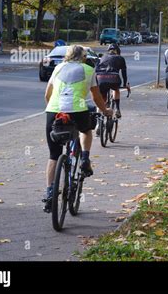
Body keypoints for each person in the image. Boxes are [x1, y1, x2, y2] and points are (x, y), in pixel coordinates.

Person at [43, 45, 113, 213]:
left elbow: (47, 94)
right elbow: (96, 97)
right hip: (78, 110)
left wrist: (55, 110)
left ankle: (50, 193)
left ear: (67, 56)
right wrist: (105, 111)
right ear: (83, 57)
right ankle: (85, 158)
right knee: (86, 130)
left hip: (54, 111)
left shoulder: (58, 67)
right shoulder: (89, 69)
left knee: (54, 156)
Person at [95, 43, 130, 120]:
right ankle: (117, 109)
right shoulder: (120, 58)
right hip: (114, 78)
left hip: (101, 78)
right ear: (118, 51)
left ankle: (98, 119)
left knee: (101, 98)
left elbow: (96, 70)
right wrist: (125, 84)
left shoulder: (102, 57)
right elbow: (124, 73)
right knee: (116, 89)